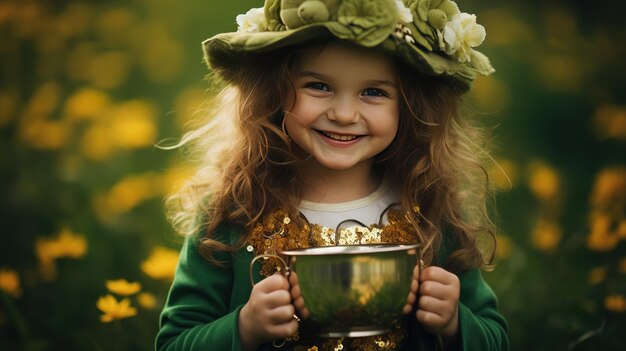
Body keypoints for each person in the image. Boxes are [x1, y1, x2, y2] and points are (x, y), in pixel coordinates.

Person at [157, 0, 508, 350]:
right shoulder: (232, 213)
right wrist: (245, 327)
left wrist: (455, 323)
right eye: (318, 86)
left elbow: (496, 338)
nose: (343, 114)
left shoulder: (430, 210)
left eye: (373, 92)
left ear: (411, 105)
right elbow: (174, 342)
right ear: (274, 90)